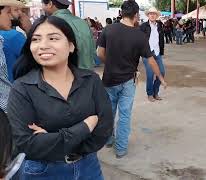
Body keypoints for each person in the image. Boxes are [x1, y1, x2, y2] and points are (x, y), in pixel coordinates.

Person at [7, 16, 114, 179]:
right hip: (43, 172)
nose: (43, 45)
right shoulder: (22, 88)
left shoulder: (91, 80)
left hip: (88, 167)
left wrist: (51, 140)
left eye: (53, 38)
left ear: (71, 46)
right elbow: (26, 144)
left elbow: (104, 129)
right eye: (36, 39)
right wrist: (84, 127)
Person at [97, 0, 167, 158]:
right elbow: (151, 60)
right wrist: (161, 78)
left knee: (109, 112)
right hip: (128, 81)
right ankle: (120, 149)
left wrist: (110, 63)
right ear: (136, 15)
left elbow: (99, 53)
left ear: (121, 13)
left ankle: (108, 140)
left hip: (108, 79)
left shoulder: (108, 29)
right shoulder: (140, 36)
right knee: (125, 115)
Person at [42, 0, 96, 70]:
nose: (42, 7)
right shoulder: (82, 22)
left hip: (66, 75)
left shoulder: (51, 22)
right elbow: (92, 48)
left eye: (42, 4)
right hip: (88, 72)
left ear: (50, 4)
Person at [140, 7, 166, 102]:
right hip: (147, 53)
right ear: (148, 15)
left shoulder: (159, 25)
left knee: (162, 72)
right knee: (150, 74)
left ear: (156, 16)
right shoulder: (143, 26)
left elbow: (161, 39)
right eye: (150, 13)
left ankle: (155, 92)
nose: (152, 15)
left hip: (157, 52)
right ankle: (150, 94)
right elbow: (140, 40)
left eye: (154, 14)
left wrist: (161, 51)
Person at [0, 2, 26, 82]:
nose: (11, 17)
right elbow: (35, 62)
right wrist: (29, 29)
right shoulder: (13, 36)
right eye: (8, 12)